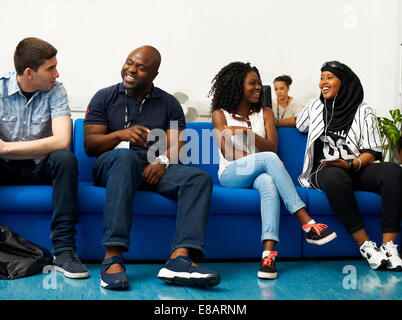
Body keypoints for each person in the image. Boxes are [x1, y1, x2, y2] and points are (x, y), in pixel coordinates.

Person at [84, 45, 221, 290]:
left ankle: (179, 260)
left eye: (141, 67)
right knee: (126, 159)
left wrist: (163, 161)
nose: (131, 69)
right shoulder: (104, 97)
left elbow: (177, 142)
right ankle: (112, 257)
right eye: (129, 62)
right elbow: (90, 145)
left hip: (151, 168)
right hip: (113, 165)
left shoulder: (169, 103)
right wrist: (120, 135)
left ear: (154, 75)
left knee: (198, 179)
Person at [209, 62, 337, 280]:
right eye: (252, 83)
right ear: (237, 86)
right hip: (232, 174)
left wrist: (248, 134)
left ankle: (268, 257)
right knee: (268, 160)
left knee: (268, 182)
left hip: (260, 172)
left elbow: (272, 147)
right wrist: (257, 158)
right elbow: (228, 153)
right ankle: (307, 222)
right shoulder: (220, 115)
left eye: (259, 83)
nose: (258, 87)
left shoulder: (265, 113)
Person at [296, 60, 402, 271]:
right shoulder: (315, 106)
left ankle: (389, 246)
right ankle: (366, 245)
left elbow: (372, 151)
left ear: (343, 82)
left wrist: (351, 163)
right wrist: (270, 120)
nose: (323, 82)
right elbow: (298, 121)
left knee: (393, 171)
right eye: (321, 78)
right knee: (334, 175)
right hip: (323, 170)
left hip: (355, 167)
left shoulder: (363, 111)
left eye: (329, 77)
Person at [0, 37, 88, 279]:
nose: (57, 74)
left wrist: (6, 148)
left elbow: (61, 141)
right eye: (51, 68)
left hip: (40, 169)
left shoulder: (56, 90)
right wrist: (35, 147)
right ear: (29, 73)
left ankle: (64, 252)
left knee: (64, 158)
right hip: (5, 169)